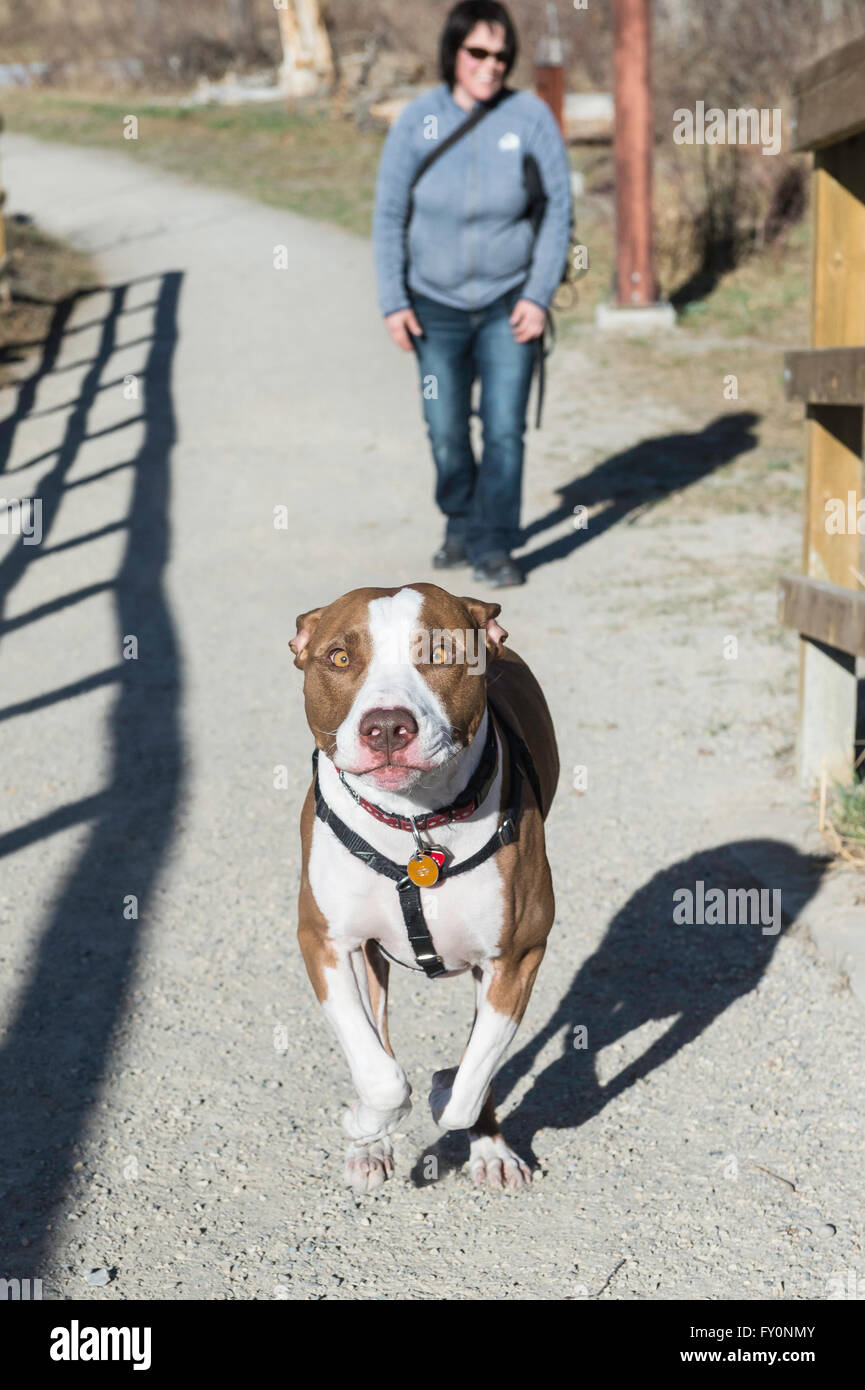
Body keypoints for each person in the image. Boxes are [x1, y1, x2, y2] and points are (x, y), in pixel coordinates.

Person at [372, 0, 572, 587]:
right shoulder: (417, 121)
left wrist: (538, 292)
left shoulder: (530, 118)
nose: (491, 65)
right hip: (433, 303)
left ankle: (493, 542)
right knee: (446, 427)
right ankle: (459, 518)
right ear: (454, 53)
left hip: (510, 301)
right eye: (478, 53)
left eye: (501, 55)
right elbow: (388, 212)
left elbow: (559, 209)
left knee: (504, 427)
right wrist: (393, 299)